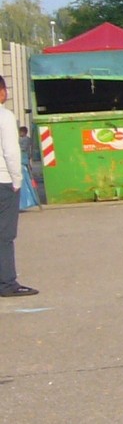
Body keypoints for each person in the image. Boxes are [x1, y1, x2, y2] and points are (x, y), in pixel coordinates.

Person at [0, 75, 36, 297]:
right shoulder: (4, 117)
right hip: (3, 182)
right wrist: (17, 180)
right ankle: (7, 283)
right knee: (4, 235)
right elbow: (11, 152)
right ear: (2, 92)